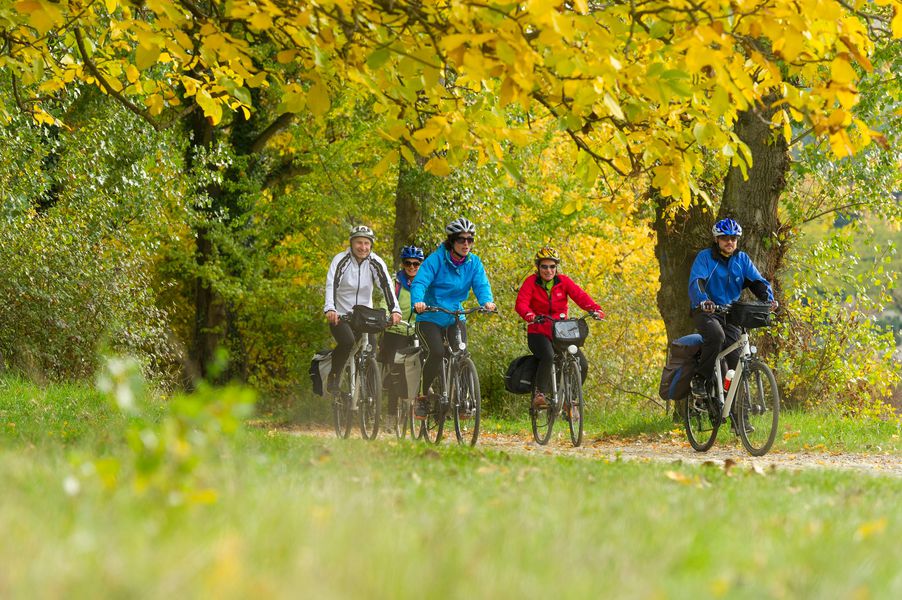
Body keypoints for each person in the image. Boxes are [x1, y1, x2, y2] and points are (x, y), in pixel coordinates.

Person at [411, 217, 496, 418]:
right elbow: (420, 282)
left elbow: (481, 285)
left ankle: (464, 400)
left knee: (461, 354)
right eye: (461, 239)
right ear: (451, 241)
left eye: (470, 239)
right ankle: (423, 397)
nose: (466, 243)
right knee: (437, 352)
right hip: (430, 316)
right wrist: (418, 302)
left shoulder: (474, 263)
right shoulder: (436, 260)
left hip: (455, 316)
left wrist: (487, 302)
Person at [687, 218, 778, 402]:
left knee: (737, 364)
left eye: (733, 238)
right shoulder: (705, 257)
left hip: (730, 314)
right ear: (716, 239)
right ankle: (700, 379)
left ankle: (740, 418)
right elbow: (697, 282)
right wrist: (704, 301)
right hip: (706, 312)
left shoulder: (741, 259)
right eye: (725, 238)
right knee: (716, 336)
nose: (730, 242)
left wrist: (769, 299)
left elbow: (757, 282)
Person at [515, 246, 605, 409]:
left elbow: (580, 296)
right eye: (544, 266)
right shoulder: (531, 282)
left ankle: (571, 401)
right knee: (548, 356)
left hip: (561, 332)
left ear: (556, 267)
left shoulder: (564, 281)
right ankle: (540, 394)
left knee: (582, 364)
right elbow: (521, 303)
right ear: (538, 267)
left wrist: (594, 309)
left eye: (552, 266)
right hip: (538, 332)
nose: (548, 270)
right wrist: (529, 315)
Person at [323, 225, 401, 392]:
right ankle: (334, 376)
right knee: (348, 342)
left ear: (371, 245)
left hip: (365, 317)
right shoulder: (340, 260)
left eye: (367, 243)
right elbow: (331, 285)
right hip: (341, 315)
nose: (363, 247)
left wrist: (395, 309)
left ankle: (369, 399)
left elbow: (386, 286)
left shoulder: (376, 262)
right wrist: (330, 308)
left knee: (371, 352)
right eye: (359, 242)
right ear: (351, 243)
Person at [378, 245, 425, 415]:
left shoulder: (426, 281)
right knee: (395, 372)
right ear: (403, 264)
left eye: (416, 263)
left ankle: (421, 405)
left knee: (421, 367)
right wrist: (387, 315)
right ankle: (391, 414)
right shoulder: (395, 282)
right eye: (408, 263)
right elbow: (386, 300)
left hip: (416, 331)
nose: (412, 267)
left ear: (421, 264)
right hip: (396, 330)